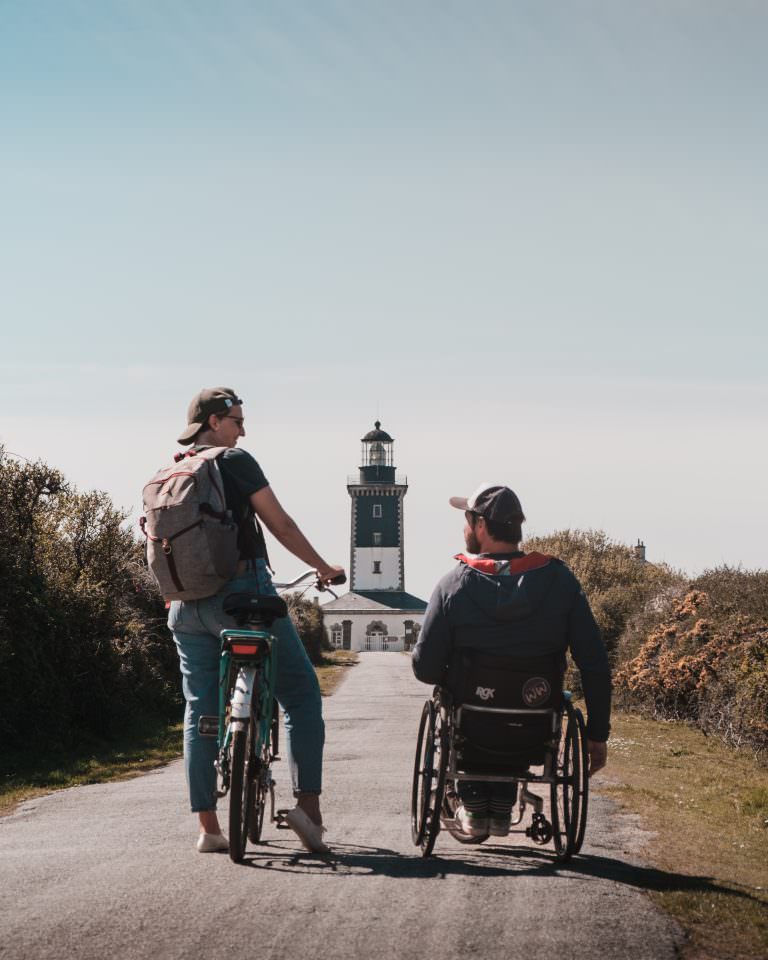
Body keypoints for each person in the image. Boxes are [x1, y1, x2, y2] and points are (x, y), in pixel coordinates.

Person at [167, 387, 345, 853]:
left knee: (200, 710)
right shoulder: (235, 461)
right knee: (302, 694)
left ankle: (208, 828)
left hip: (186, 608)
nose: (242, 429)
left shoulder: (173, 467)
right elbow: (279, 524)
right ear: (213, 423)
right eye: (236, 420)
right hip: (244, 598)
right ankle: (308, 810)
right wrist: (323, 567)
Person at [411, 482, 611, 839]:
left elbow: (425, 668)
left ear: (481, 527)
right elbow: (594, 662)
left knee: (459, 703)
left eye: (467, 521)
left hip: (470, 724)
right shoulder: (561, 582)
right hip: (534, 723)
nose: (463, 529)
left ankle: (474, 803)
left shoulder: (452, 585)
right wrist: (597, 735)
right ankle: (497, 806)